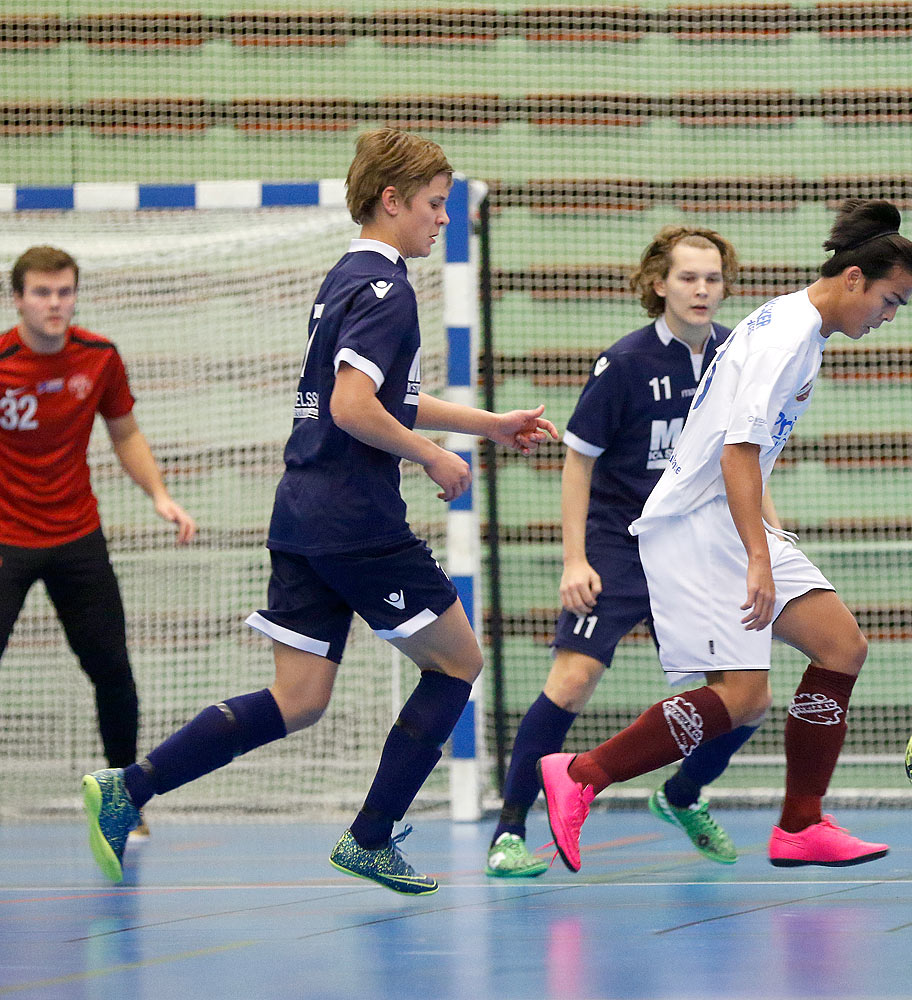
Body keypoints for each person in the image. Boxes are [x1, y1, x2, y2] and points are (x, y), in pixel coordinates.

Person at [80, 127, 558, 895]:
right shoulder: (391, 290)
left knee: (298, 698)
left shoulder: (346, 276)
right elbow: (351, 406)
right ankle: (371, 837)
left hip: (301, 512)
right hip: (356, 521)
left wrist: (488, 424)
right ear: (391, 200)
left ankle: (128, 789)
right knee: (460, 663)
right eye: (434, 205)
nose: (444, 218)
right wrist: (429, 456)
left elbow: (382, 396)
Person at [538, 199, 912, 872]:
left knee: (841, 648)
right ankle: (581, 775)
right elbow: (736, 455)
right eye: (890, 301)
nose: (888, 317)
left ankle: (801, 823)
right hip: (697, 524)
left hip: (727, 518)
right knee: (743, 697)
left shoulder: (799, 325)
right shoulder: (785, 338)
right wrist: (758, 557)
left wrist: (770, 537)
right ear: (855, 279)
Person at [486, 226, 774, 877]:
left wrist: (769, 539)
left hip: (699, 548)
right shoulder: (625, 364)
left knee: (749, 698)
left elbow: (745, 459)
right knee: (573, 679)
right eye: (688, 278)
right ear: (658, 284)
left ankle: (681, 795)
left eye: (713, 279)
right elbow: (576, 461)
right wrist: (573, 559)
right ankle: (508, 834)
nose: (702, 290)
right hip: (620, 543)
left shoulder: (737, 356)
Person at [0, 246, 196, 837]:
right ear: (18, 299)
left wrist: (159, 494)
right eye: (41, 293)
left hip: (77, 535)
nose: (54, 304)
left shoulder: (100, 358)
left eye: (64, 292)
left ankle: (121, 800)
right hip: (4, 537)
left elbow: (125, 433)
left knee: (112, 669)